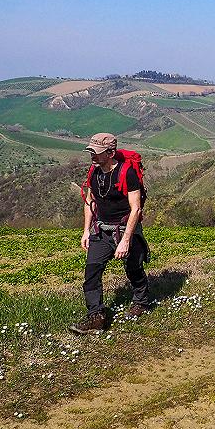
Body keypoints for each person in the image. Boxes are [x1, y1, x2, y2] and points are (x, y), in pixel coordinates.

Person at [70, 133, 151, 335]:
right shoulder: (94, 172)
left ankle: (140, 302)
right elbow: (90, 202)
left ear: (111, 153)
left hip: (125, 229)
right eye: (91, 152)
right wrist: (86, 231)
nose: (92, 156)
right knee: (91, 273)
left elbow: (136, 210)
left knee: (133, 269)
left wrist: (125, 240)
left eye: (96, 153)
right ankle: (96, 316)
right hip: (101, 229)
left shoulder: (127, 173)